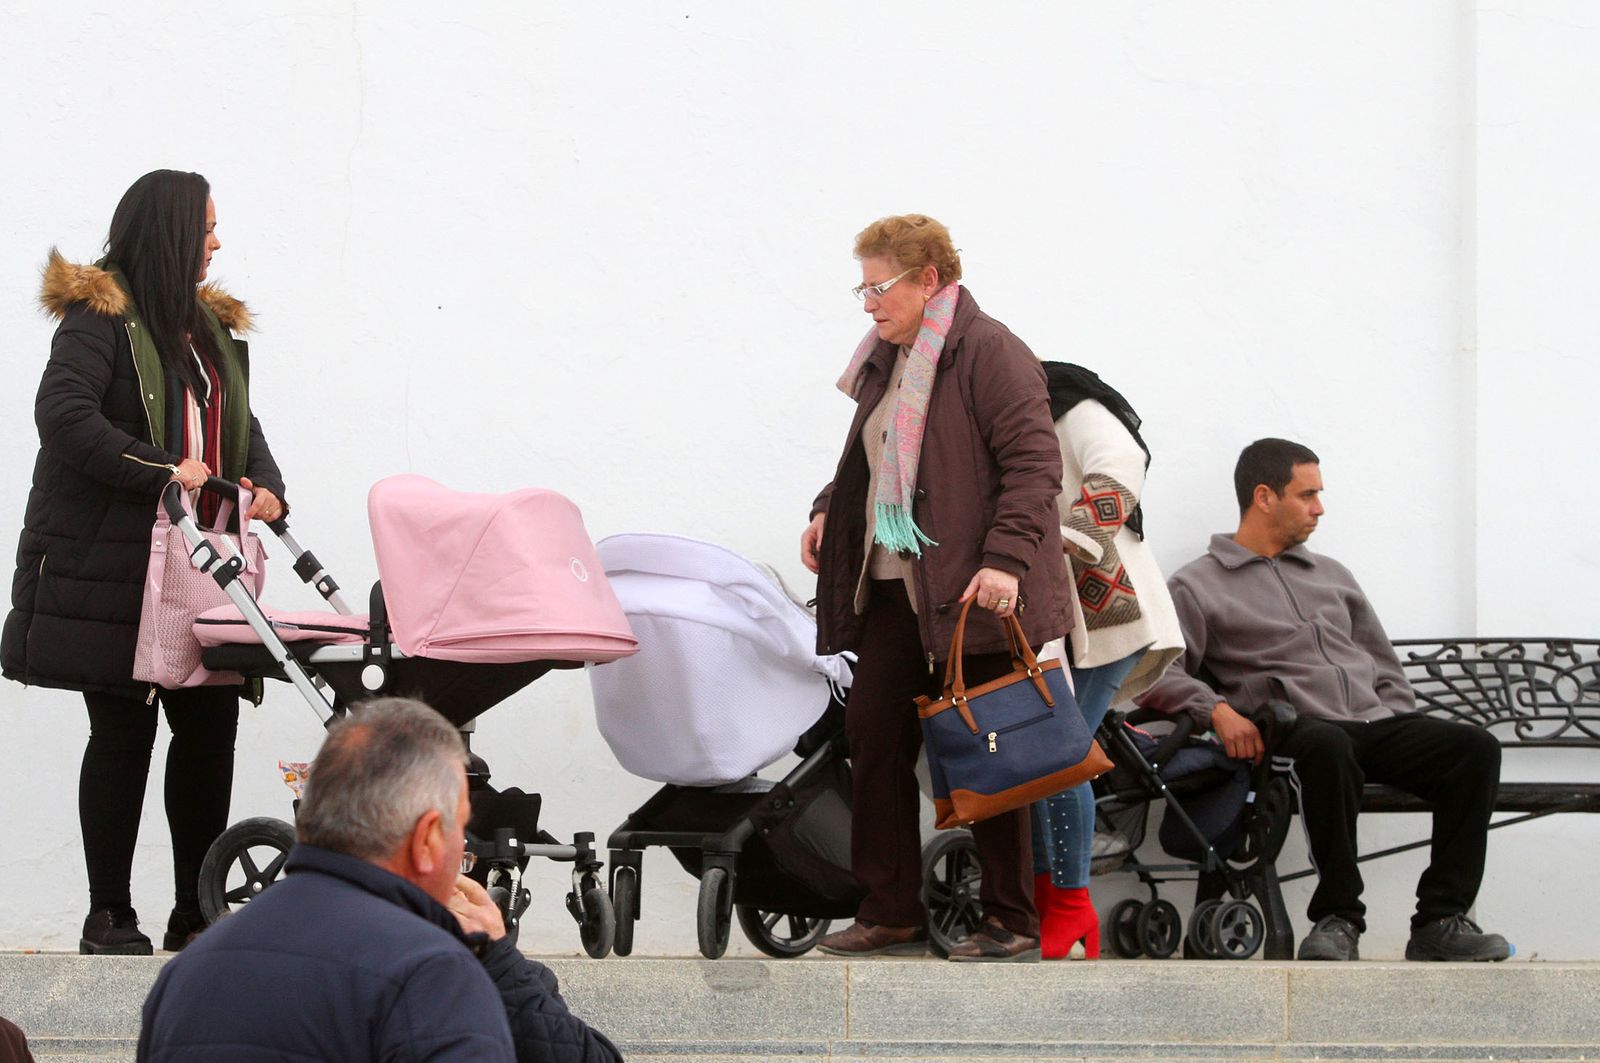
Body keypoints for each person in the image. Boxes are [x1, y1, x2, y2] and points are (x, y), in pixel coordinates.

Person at [1, 170, 288, 956]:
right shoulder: (100, 321)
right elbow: (63, 418)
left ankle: (196, 911)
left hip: (206, 562)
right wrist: (160, 467)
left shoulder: (210, 332)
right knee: (124, 730)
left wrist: (270, 488)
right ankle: (108, 915)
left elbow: (242, 428)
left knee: (209, 729)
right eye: (205, 230)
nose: (217, 244)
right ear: (169, 233)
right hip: (121, 567)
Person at [804, 214, 1072, 962]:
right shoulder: (891, 362)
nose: (866, 303)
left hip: (974, 593)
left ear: (929, 279)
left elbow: (1033, 467)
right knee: (873, 734)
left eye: (878, 285)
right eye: (861, 287)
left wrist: (1008, 562)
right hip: (896, 591)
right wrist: (828, 509)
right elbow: (875, 461)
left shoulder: (990, 351)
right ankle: (890, 908)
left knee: (991, 746)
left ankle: (1010, 917)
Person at [1136, 438, 1509, 962]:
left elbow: (1382, 663)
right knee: (1330, 745)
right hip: (1293, 729)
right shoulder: (1198, 585)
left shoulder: (1331, 575)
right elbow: (1154, 673)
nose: (1320, 508)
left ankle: (1440, 920)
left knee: (1473, 748)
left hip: (1370, 723)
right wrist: (1215, 711)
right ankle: (1338, 918)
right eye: (1307, 495)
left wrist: (1396, 715)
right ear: (1264, 497)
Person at [139, 697, 624, 1062]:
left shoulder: (186, 973)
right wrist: (499, 964)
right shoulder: (433, 974)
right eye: (460, 827)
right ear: (429, 838)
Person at [1027, 364, 1184, 959]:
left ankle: (1068, 907)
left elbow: (1121, 463)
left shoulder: (1067, 403)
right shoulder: (998, 418)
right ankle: (1054, 908)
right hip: (1049, 619)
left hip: (1110, 615)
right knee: (1038, 759)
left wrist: (1070, 541)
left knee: (1059, 753)